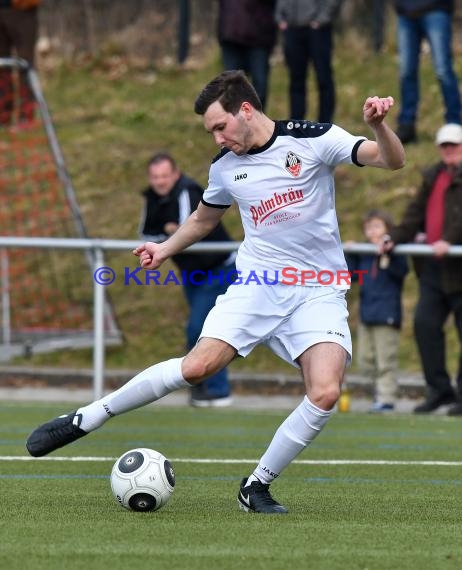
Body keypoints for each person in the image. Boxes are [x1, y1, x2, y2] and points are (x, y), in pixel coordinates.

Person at [26, 70, 405, 514]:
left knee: (324, 392)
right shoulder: (225, 167)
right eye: (211, 132)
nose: (217, 139)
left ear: (246, 110)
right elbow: (205, 219)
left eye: (219, 127)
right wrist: (164, 249)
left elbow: (391, 160)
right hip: (258, 288)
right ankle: (86, 418)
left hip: (318, 292)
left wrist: (379, 124)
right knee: (196, 367)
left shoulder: (313, 139)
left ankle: (256, 486)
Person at [139, 151, 236, 407]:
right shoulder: (152, 198)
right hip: (192, 274)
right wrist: (166, 231)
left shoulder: (188, 191)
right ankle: (206, 386)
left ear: (176, 174)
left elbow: (189, 229)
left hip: (221, 268)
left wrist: (172, 232)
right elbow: (147, 232)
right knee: (203, 331)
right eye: (155, 177)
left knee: (201, 329)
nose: (160, 182)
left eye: (165, 176)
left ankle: (217, 390)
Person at [384, 123, 462, 415]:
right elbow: (416, 212)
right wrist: (394, 237)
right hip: (435, 268)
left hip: (458, 265)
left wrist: (449, 240)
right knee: (425, 326)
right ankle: (439, 390)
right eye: (445, 146)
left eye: (454, 145)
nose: (449, 151)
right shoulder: (434, 175)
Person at [346, 210, 408, 413]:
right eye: (369, 227)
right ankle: (378, 395)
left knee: (385, 360)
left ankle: (386, 398)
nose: (372, 232)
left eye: (377, 227)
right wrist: (350, 253)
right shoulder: (365, 253)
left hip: (387, 315)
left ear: (388, 230)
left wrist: (387, 255)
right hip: (367, 314)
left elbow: (402, 272)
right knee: (365, 360)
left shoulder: (394, 252)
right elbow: (351, 275)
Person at [393, 0, 461, 144]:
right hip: (406, 12)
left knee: (443, 70)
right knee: (406, 71)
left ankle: (454, 124)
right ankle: (407, 125)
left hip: (436, 8)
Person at [275, 0, 343, 122]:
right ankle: (296, 124)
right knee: (296, 80)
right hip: (292, 29)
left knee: (324, 78)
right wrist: (280, 17)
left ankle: (325, 124)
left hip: (318, 30)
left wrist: (322, 18)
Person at [217, 0, 277, 111]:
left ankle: (257, 123)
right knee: (231, 87)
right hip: (231, 35)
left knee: (259, 87)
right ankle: (233, 123)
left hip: (259, 37)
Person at [0, 0, 40, 127]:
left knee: (25, 65)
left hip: (22, 8)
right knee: (1, 67)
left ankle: (26, 115)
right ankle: (3, 116)